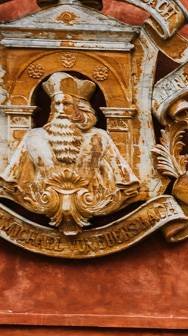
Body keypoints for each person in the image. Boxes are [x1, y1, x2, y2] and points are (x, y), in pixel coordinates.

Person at [0, 72, 138, 234]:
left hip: (93, 200)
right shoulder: (33, 137)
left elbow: (124, 180)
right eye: (56, 104)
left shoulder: (99, 137)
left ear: (79, 108)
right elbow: (11, 179)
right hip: (41, 200)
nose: (60, 109)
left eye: (66, 104)